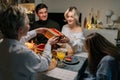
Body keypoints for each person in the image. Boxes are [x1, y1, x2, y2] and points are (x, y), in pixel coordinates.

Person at [0, 5, 58, 80]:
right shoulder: (24, 53)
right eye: (27, 23)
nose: (29, 26)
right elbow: (45, 63)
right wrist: (49, 44)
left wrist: (37, 31)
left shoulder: (2, 43)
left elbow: (19, 40)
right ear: (20, 29)